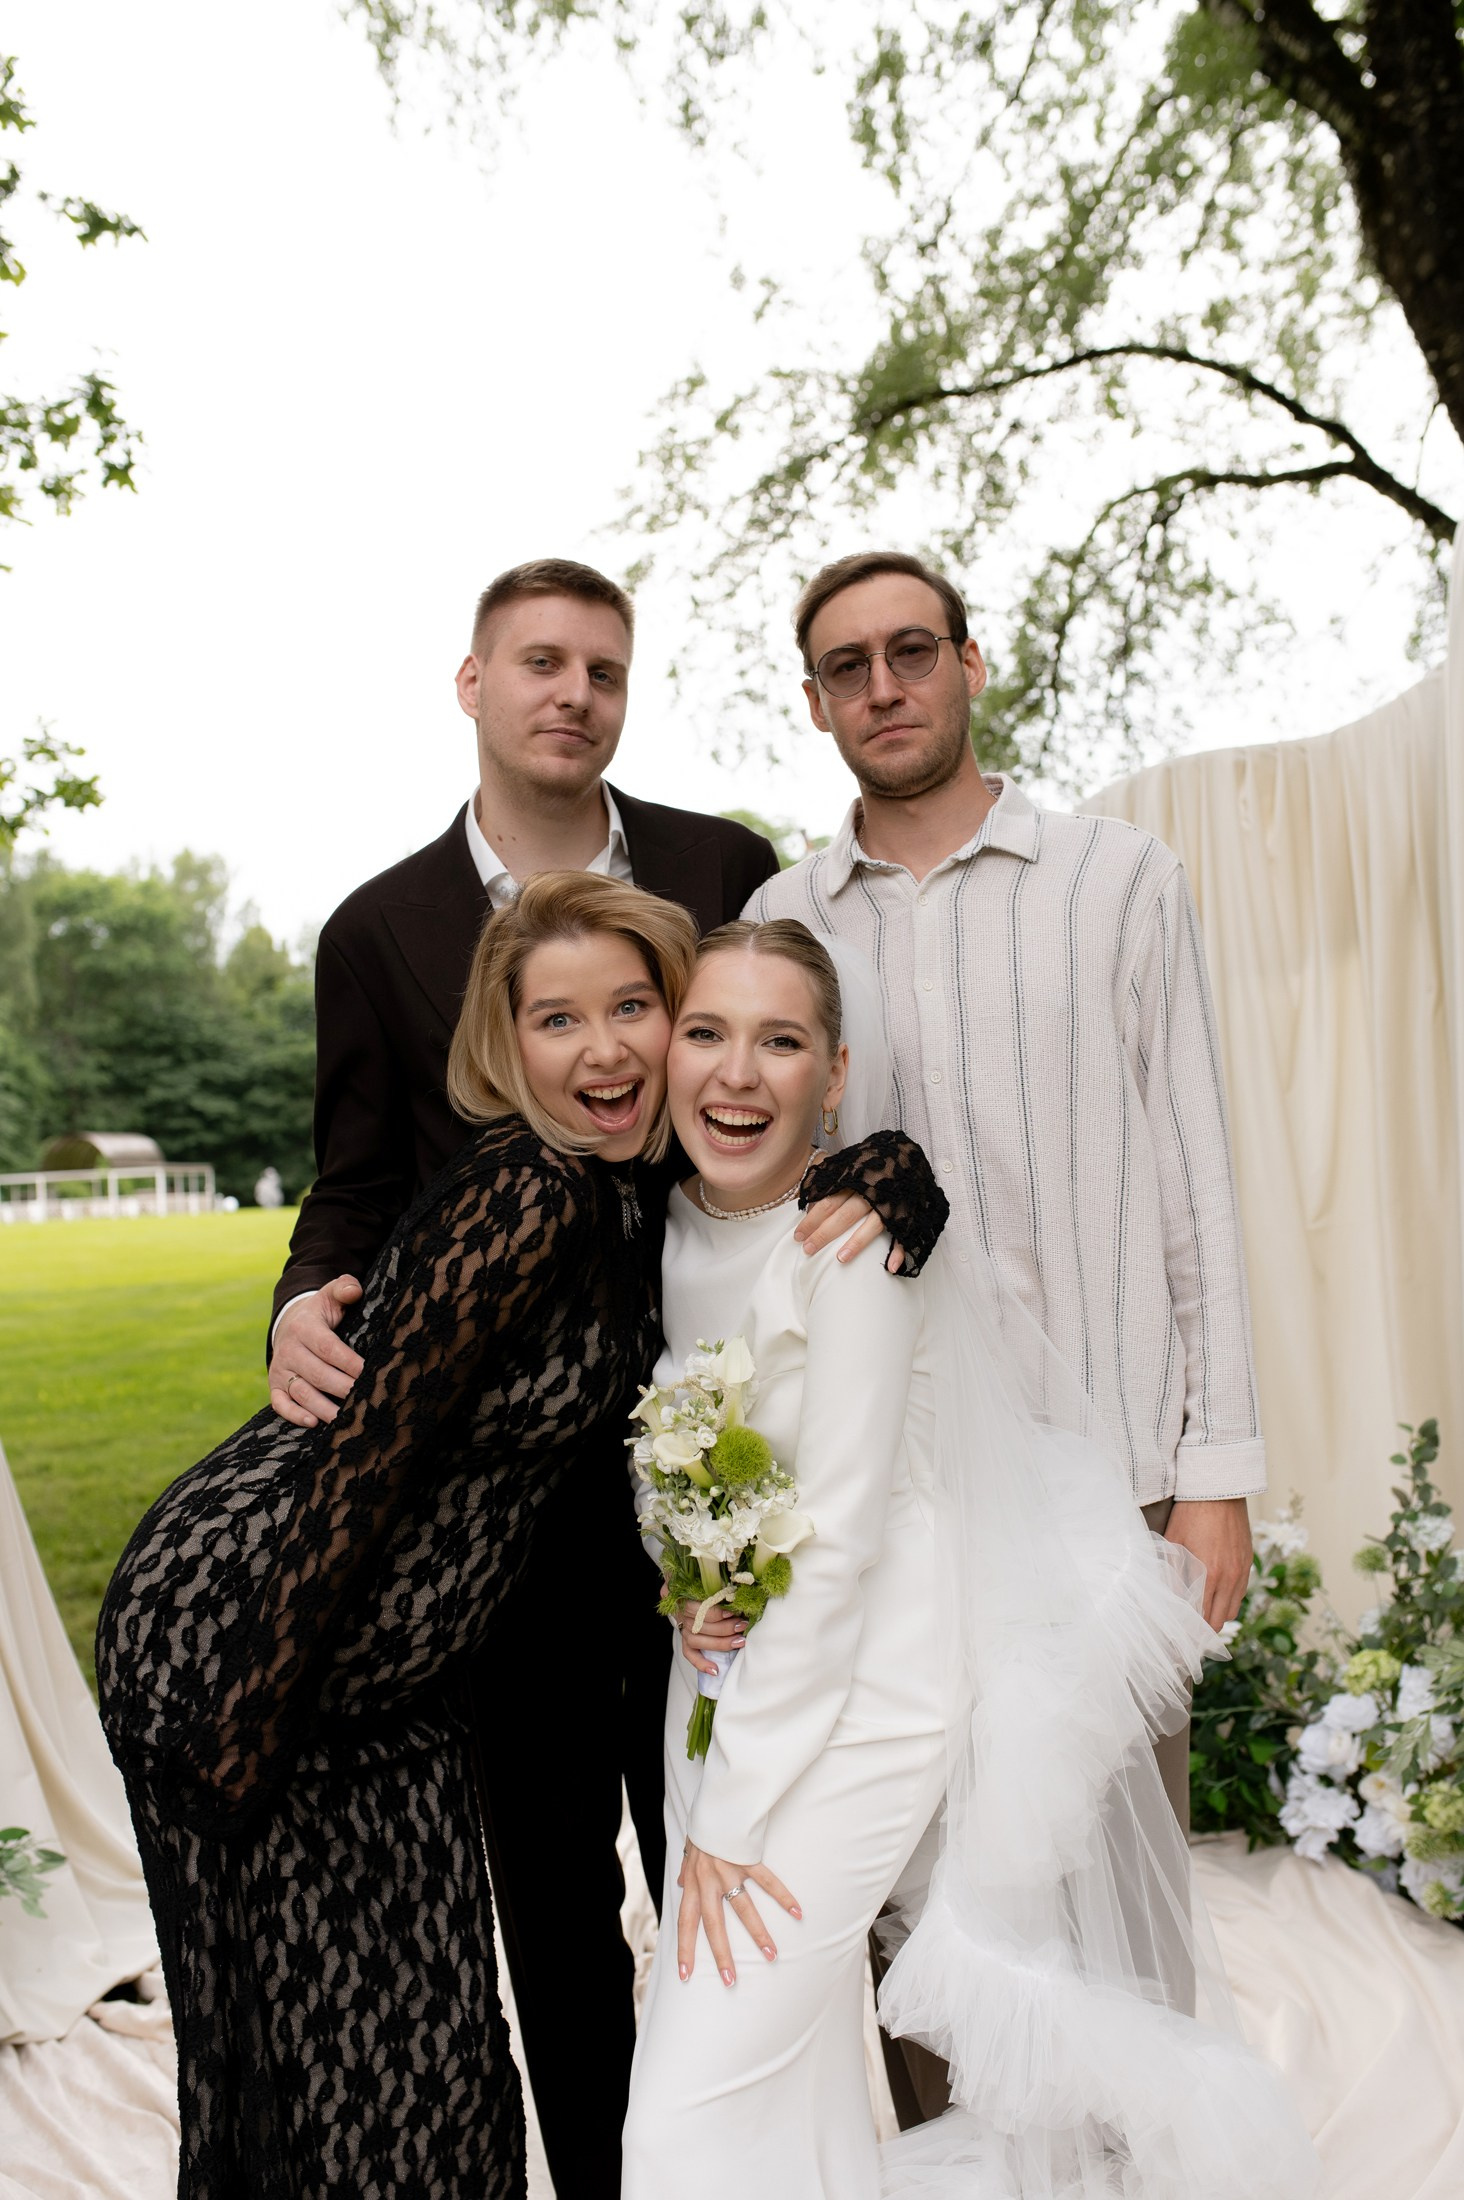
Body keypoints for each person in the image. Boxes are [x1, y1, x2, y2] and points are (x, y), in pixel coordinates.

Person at [96, 876, 934, 2200]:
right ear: (508, 1041)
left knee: (422, 2058)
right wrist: (248, 1724)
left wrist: (890, 1169)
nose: (603, 1050)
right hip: (255, 1629)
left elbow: (757, 1201)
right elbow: (366, 1461)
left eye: (633, 1009)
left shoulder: (640, 1188)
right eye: (557, 1019)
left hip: (391, 1672)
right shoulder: (530, 1189)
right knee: (308, 2050)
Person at [622, 920, 1318, 2200]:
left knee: (678, 2119)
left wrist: (731, 1813)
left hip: (865, 1704)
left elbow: (837, 1548)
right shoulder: (669, 1227)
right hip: (722, 1696)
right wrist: (687, 1583)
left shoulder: (853, 1250)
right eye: (708, 1031)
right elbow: (686, 1443)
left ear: (835, 1074)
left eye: (782, 1041)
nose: (737, 1072)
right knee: (789, 2095)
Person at [261, 559, 786, 2195]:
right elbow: (356, 1177)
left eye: (603, 669)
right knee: (554, 1904)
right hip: (502, 1513)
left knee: (734, 1865)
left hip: (715, 1458)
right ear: (473, 685)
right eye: (541, 662)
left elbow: (780, 1083)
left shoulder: (722, 868)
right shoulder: (379, 929)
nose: (574, 693)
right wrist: (298, 1300)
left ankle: (746, 2163)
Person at [745, 549, 1267, 2118]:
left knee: (1117, 1902)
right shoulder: (781, 919)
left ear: (971, 663)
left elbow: (1199, 1176)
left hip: (1109, 1473)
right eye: (848, 666)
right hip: (895, 1496)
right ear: (816, 701)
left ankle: (1146, 2169)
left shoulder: (1121, 879)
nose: (885, 686)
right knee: (923, 1919)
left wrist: (1216, 1472)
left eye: (913, 650)